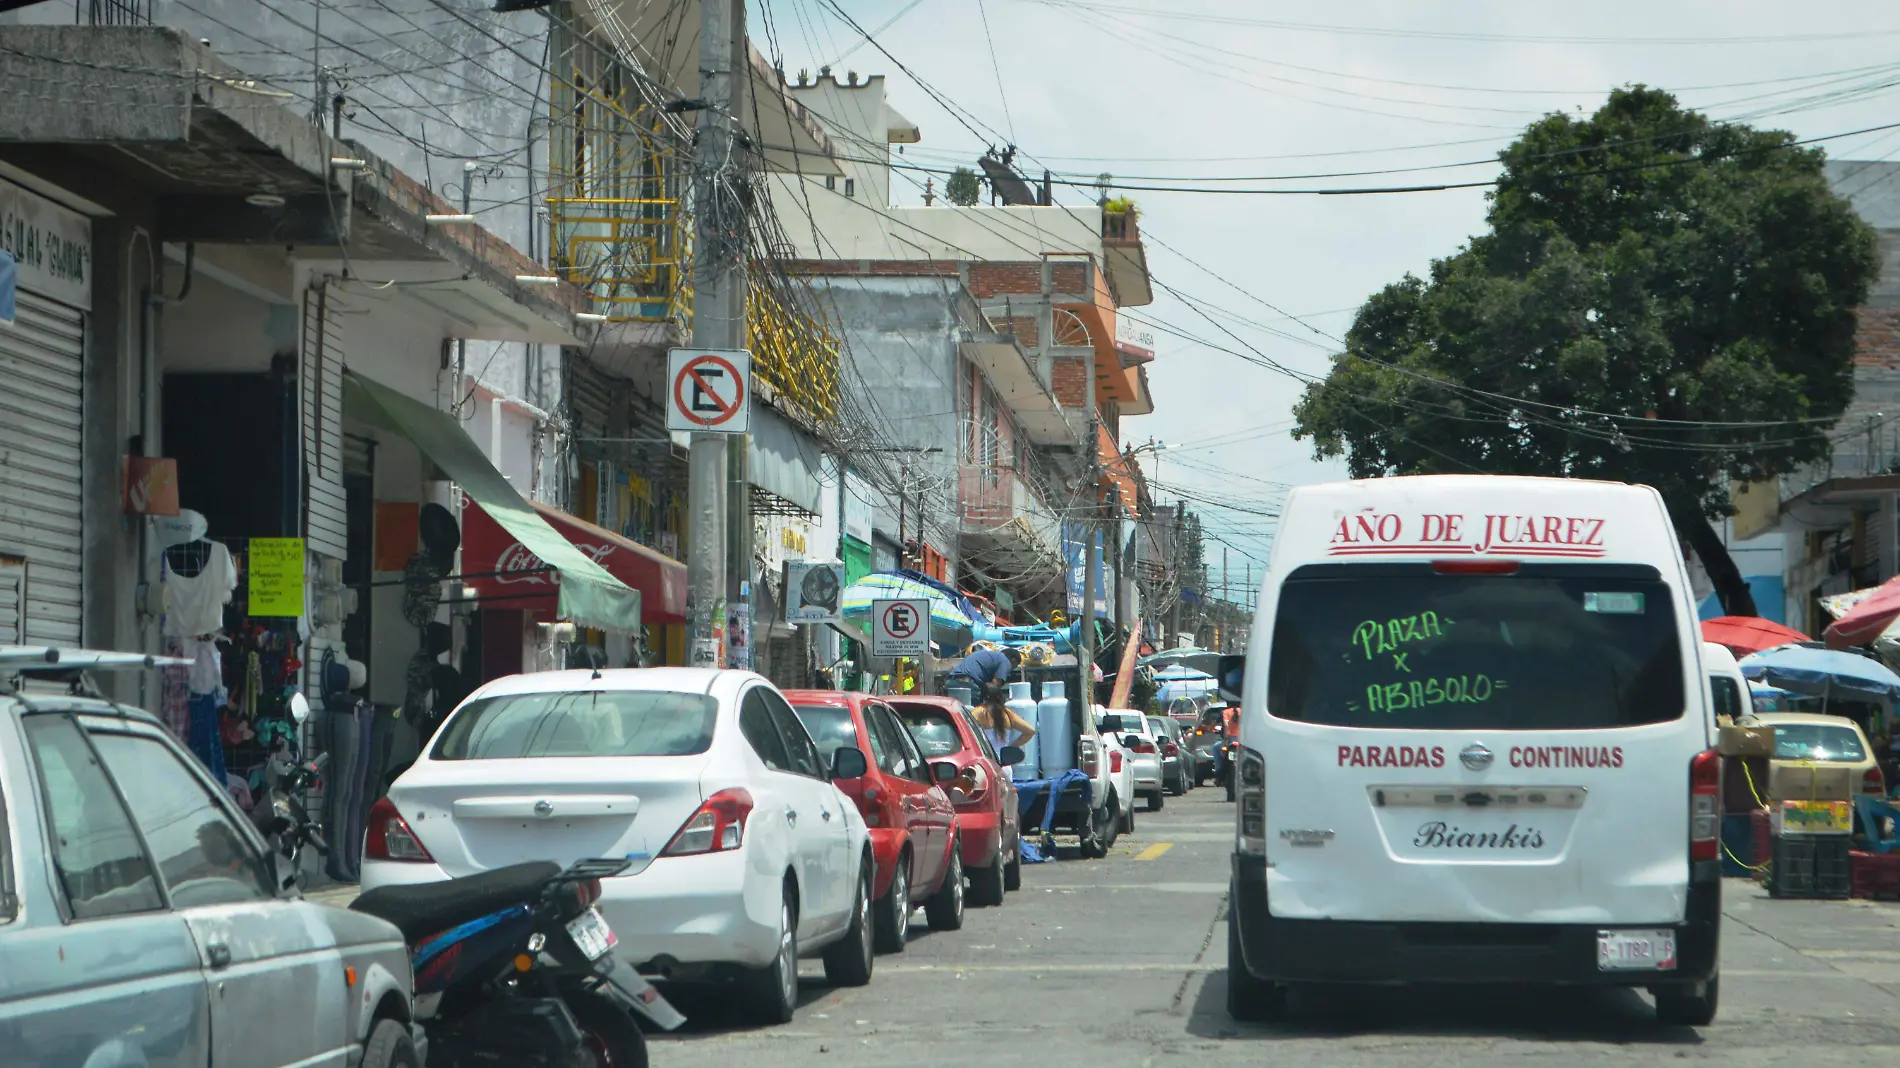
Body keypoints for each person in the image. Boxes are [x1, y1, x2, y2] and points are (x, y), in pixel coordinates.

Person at [970, 677, 1036, 754]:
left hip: (988, 760)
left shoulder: (978, 712)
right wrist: (1013, 746)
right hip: (1004, 761)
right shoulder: (1007, 713)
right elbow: (1030, 731)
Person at [950, 643, 1019, 692]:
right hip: (968, 684)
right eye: (1015, 666)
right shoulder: (1005, 660)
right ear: (1013, 660)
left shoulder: (987, 655)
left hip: (952, 681)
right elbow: (994, 685)